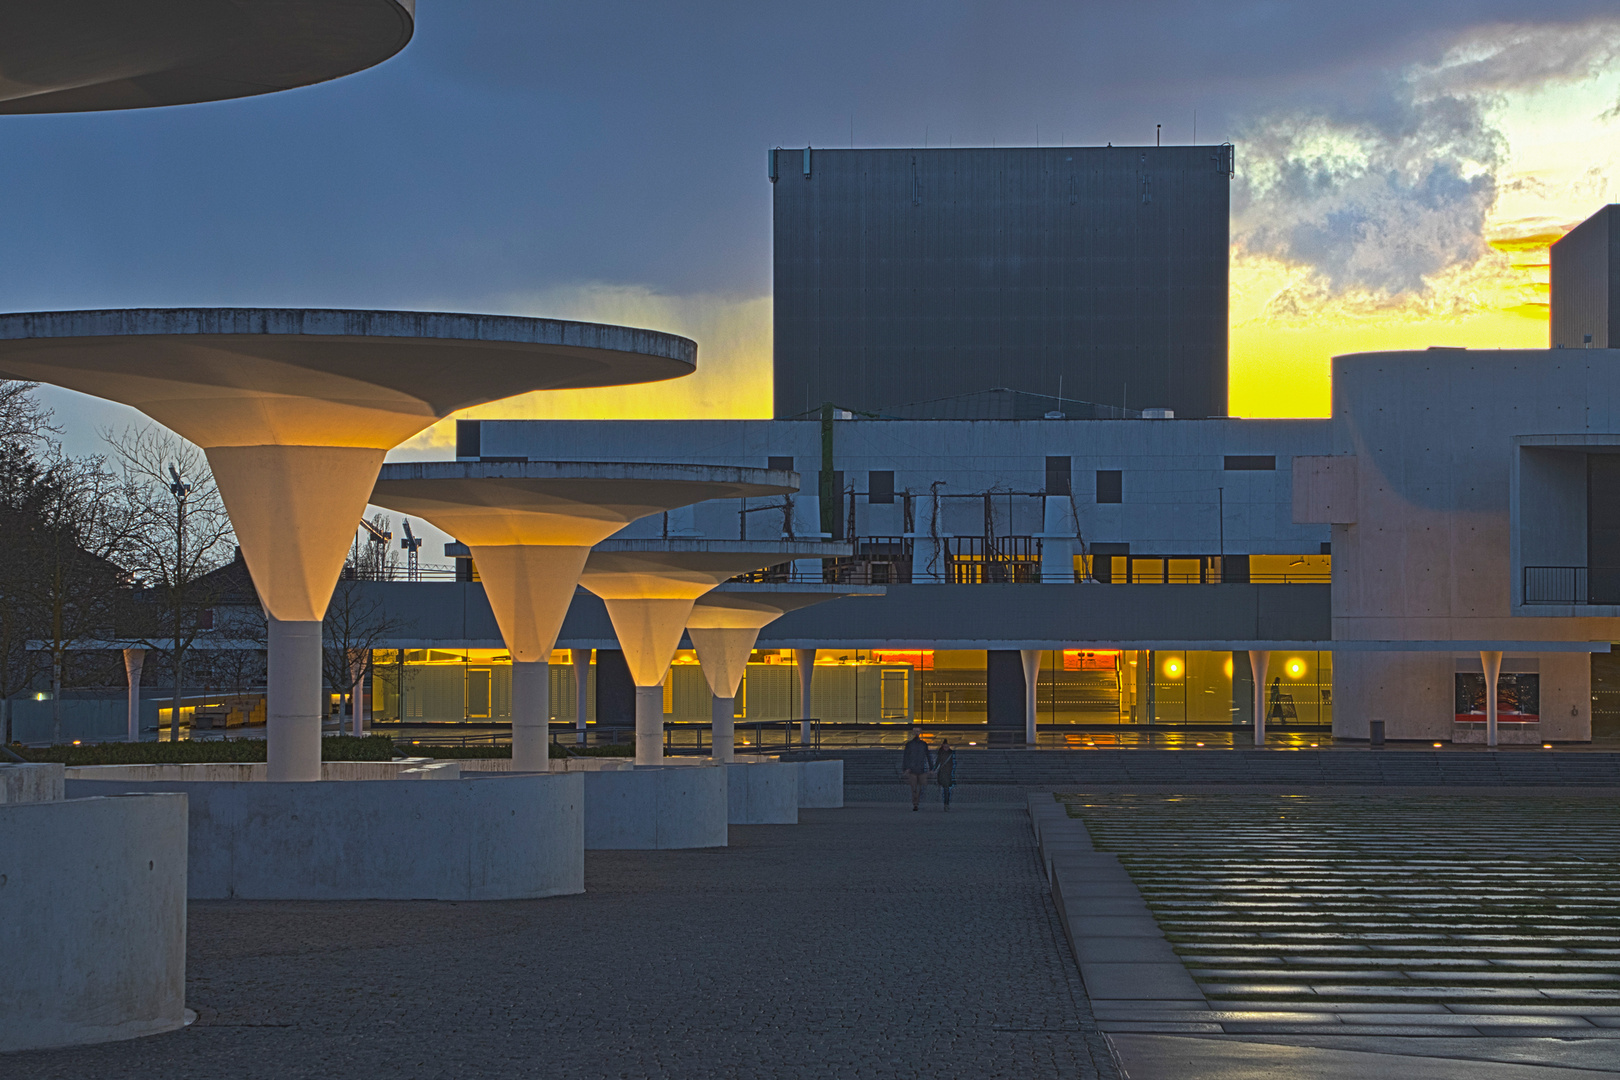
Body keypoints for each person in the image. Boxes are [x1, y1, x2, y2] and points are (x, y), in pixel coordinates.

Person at [900, 728, 933, 811]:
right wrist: (905, 768)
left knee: (921, 787)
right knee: (914, 788)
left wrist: (931, 767)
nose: (917, 733)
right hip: (912, 769)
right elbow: (906, 757)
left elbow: (928, 756)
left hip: (921, 769)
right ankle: (915, 803)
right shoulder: (910, 744)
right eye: (915, 731)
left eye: (918, 731)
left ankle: (917, 801)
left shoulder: (923, 744)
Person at [935, 738, 957, 810]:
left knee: (946, 789)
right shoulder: (942, 753)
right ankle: (946, 804)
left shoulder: (950, 753)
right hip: (943, 773)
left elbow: (953, 763)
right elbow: (937, 762)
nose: (946, 747)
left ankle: (946, 804)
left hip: (947, 774)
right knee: (946, 789)